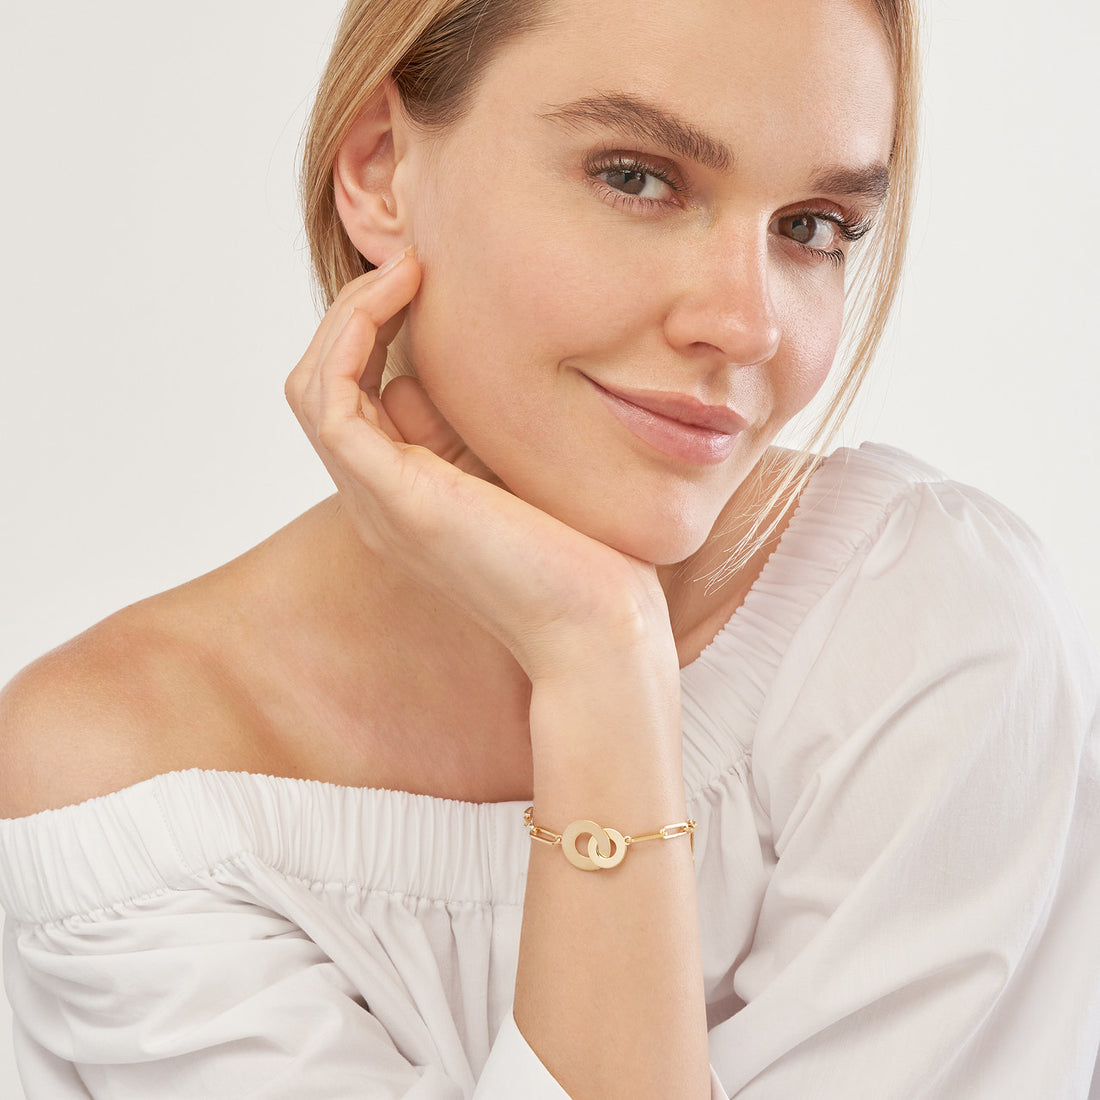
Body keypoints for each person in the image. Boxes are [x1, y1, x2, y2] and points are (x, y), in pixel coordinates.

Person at [0, 0, 1097, 1096]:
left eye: (811, 225)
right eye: (635, 176)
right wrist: (602, 665)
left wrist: (599, 666)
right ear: (381, 172)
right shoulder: (131, 783)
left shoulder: (921, 636)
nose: (747, 322)